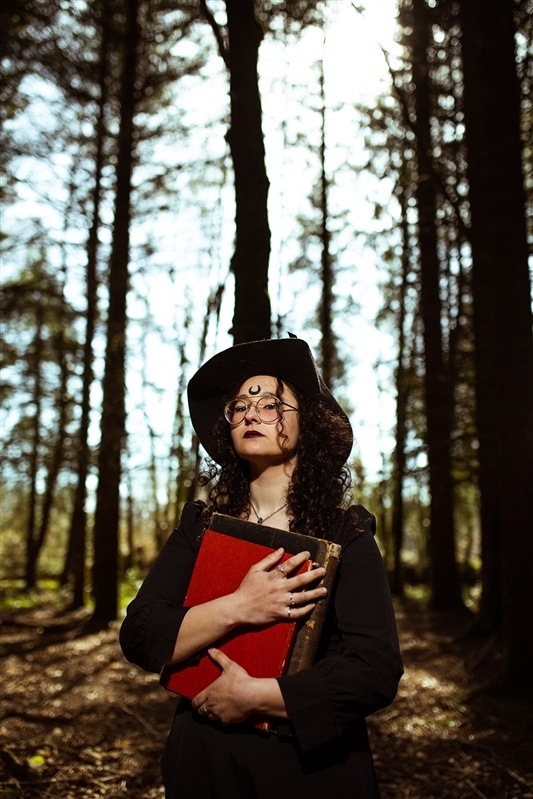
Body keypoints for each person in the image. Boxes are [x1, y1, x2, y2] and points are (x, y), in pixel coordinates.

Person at [119, 336, 403, 798]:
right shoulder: (200, 528)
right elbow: (139, 635)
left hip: (308, 770)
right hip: (204, 762)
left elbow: (375, 670)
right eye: (239, 407)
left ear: (307, 424)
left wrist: (259, 698)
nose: (251, 414)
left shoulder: (345, 533)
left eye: (271, 404)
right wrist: (238, 606)